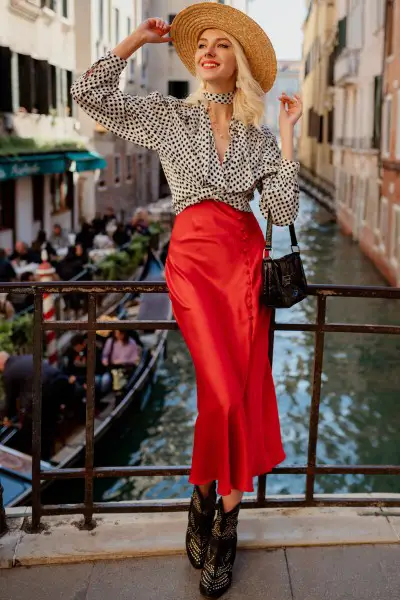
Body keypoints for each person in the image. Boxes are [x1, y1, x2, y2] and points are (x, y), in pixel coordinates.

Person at [71, 5, 302, 597]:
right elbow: (88, 94)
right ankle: (205, 498)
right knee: (222, 394)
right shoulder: (170, 117)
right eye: (204, 44)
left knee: (237, 397)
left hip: (247, 269)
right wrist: (136, 39)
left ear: (237, 64)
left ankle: (219, 521)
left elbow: (281, 212)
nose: (208, 51)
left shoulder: (255, 136)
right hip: (195, 268)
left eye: (223, 45)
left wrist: (288, 135)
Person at [0, 352, 73, 460]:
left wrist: (8, 417)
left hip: (44, 393)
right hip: (60, 381)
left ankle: (42, 459)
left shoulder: (8, 372)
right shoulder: (26, 357)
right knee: (48, 422)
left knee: (34, 427)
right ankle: (50, 450)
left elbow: (11, 398)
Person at [63, 333, 112, 399]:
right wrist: (72, 376)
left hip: (91, 376)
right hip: (77, 377)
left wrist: (81, 379)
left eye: (77, 347)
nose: (76, 349)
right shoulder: (71, 352)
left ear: (83, 344)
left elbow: (97, 368)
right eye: (75, 347)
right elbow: (69, 368)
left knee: (98, 381)